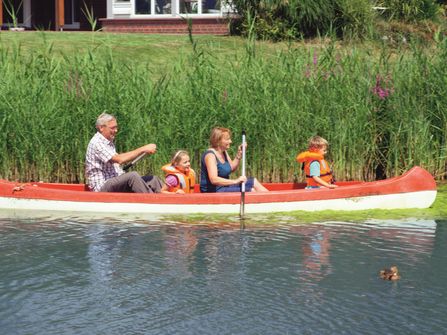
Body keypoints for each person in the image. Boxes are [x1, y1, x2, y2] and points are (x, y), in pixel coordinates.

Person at [85, 113, 164, 193]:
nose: (116, 130)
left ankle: (167, 199)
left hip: (114, 181)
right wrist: (144, 149)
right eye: (112, 128)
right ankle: (151, 201)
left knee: (154, 180)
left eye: (116, 127)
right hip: (102, 188)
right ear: (101, 128)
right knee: (132, 176)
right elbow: (120, 159)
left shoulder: (108, 141)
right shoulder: (97, 143)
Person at [200, 127, 268, 193]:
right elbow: (214, 180)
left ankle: (273, 201)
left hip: (224, 187)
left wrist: (239, 154)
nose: (230, 141)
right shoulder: (210, 156)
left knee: (253, 181)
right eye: (227, 139)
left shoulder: (223, 152)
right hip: (213, 191)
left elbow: (231, 168)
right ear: (218, 141)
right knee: (251, 190)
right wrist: (236, 181)